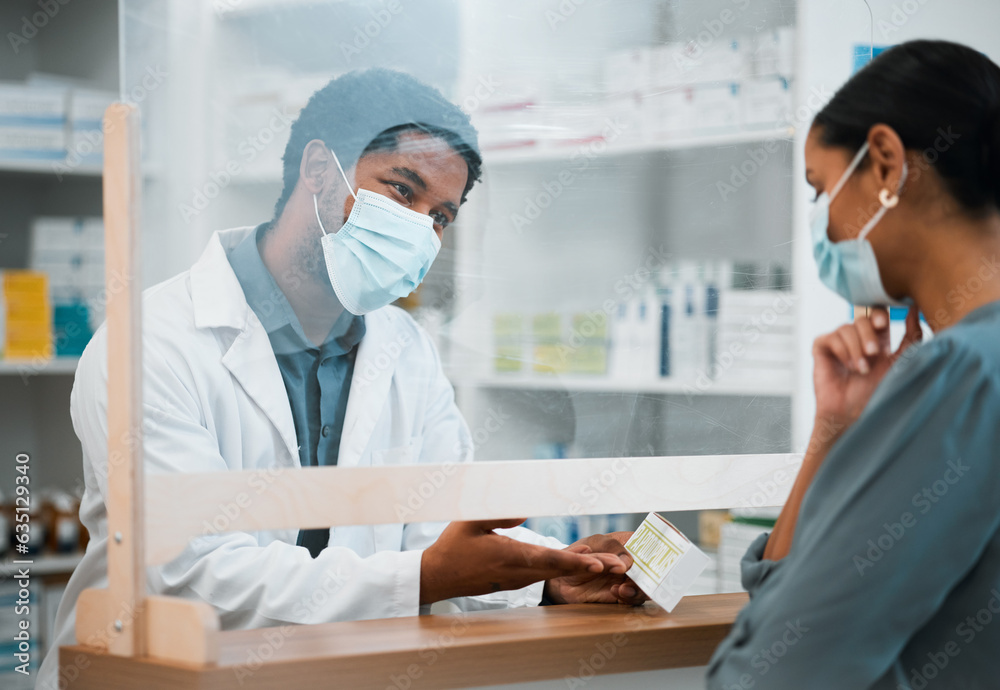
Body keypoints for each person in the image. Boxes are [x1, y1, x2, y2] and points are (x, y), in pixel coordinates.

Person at [38, 69, 643, 688]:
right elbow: (193, 574)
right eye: (402, 191)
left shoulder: (405, 348)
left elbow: (441, 529)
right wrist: (426, 576)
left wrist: (545, 575)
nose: (420, 231)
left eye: (440, 216)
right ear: (320, 171)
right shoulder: (152, 342)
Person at [707, 40, 1000, 689]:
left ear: (888, 165)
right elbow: (788, 596)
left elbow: (782, 666)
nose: (824, 225)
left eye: (820, 189)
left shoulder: (962, 376)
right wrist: (836, 431)